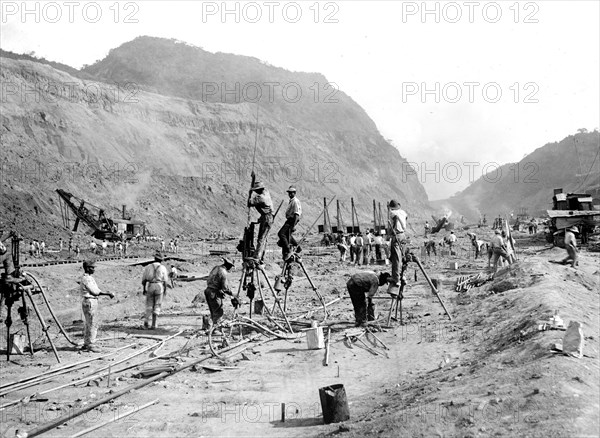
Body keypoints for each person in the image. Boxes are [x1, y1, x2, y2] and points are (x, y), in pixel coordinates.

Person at [79, 260, 114, 352]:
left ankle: (87, 343)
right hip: (90, 301)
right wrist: (107, 293)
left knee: (89, 323)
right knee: (92, 323)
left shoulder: (89, 277)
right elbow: (95, 291)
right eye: (92, 267)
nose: (94, 269)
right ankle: (91, 343)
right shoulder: (87, 279)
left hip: (90, 301)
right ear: (87, 268)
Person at [204, 258, 239, 329]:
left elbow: (212, 280)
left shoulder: (216, 268)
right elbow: (225, 288)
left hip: (208, 290)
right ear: (229, 265)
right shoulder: (223, 272)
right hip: (214, 293)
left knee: (213, 311)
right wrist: (233, 294)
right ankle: (216, 328)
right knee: (218, 312)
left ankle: (212, 327)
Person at [141, 252, 169, 329]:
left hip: (150, 285)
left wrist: (144, 289)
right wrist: (165, 290)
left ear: (154, 259)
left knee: (149, 304)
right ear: (161, 260)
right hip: (159, 286)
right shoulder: (163, 268)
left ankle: (146, 322)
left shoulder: (148, 267)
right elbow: (165, 281)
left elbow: (144, 280)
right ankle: (154, 324)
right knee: (157, 304)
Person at [248, 181, 274, 263]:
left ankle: (258, 256)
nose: (255, 192)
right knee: (264, 238)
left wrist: (250, 193)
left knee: (261, 238)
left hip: (267, 218)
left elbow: (250, 202)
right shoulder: (266, 192)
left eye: (256, 190)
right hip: (267, 216)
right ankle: (261, 255)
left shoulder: (261, 198)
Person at [387, 199, 408, 294]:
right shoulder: (403, 212)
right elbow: (405, 218)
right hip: (403, 235)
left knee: (396, 257)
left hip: (397, 235)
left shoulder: (392, 213)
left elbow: (394, 221)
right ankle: (402, 275)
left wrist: (391, 233)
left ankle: (396, 279)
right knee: (403, 256)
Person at [277, 186, 302, 260]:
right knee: (287, 235)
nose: (290, 194)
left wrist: (293, 225)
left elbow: (296, 214)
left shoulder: (295, 201)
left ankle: (288, 249)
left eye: (292, 193)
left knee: (281, 234)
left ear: (294, 193)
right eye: (289, 193)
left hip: (292, 220)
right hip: (290, 219)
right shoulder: (291, 201)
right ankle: (298, 247)